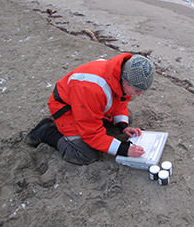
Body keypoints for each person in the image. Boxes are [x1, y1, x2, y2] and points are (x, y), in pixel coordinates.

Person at [26, 53, 154, 165]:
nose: (138, 94)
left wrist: (123, 126)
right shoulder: (92, 89)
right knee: (86, 154)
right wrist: (124, 150)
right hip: (67, 108)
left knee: (126, 117)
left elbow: (120, 101)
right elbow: (90, 133)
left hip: (86, 105)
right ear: (125, 81)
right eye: (137, 90)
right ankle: (46, 132)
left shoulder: (117, 73)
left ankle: (111, 123)